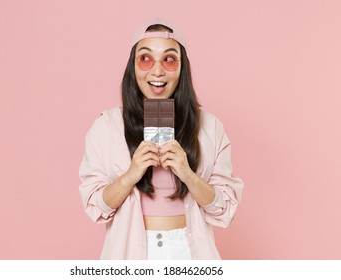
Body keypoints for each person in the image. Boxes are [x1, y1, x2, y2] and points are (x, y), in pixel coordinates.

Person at [78, 18, 244, 260]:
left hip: (189, 252)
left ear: (182, 67)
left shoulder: (210, 126)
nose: (157, 71)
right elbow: (95, 205)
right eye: (145, 59)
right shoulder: (107, 126)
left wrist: (187, 174)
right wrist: (131, 175)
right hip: (130, 252)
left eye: (169, 59)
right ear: (132, 67)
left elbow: (224, 207)